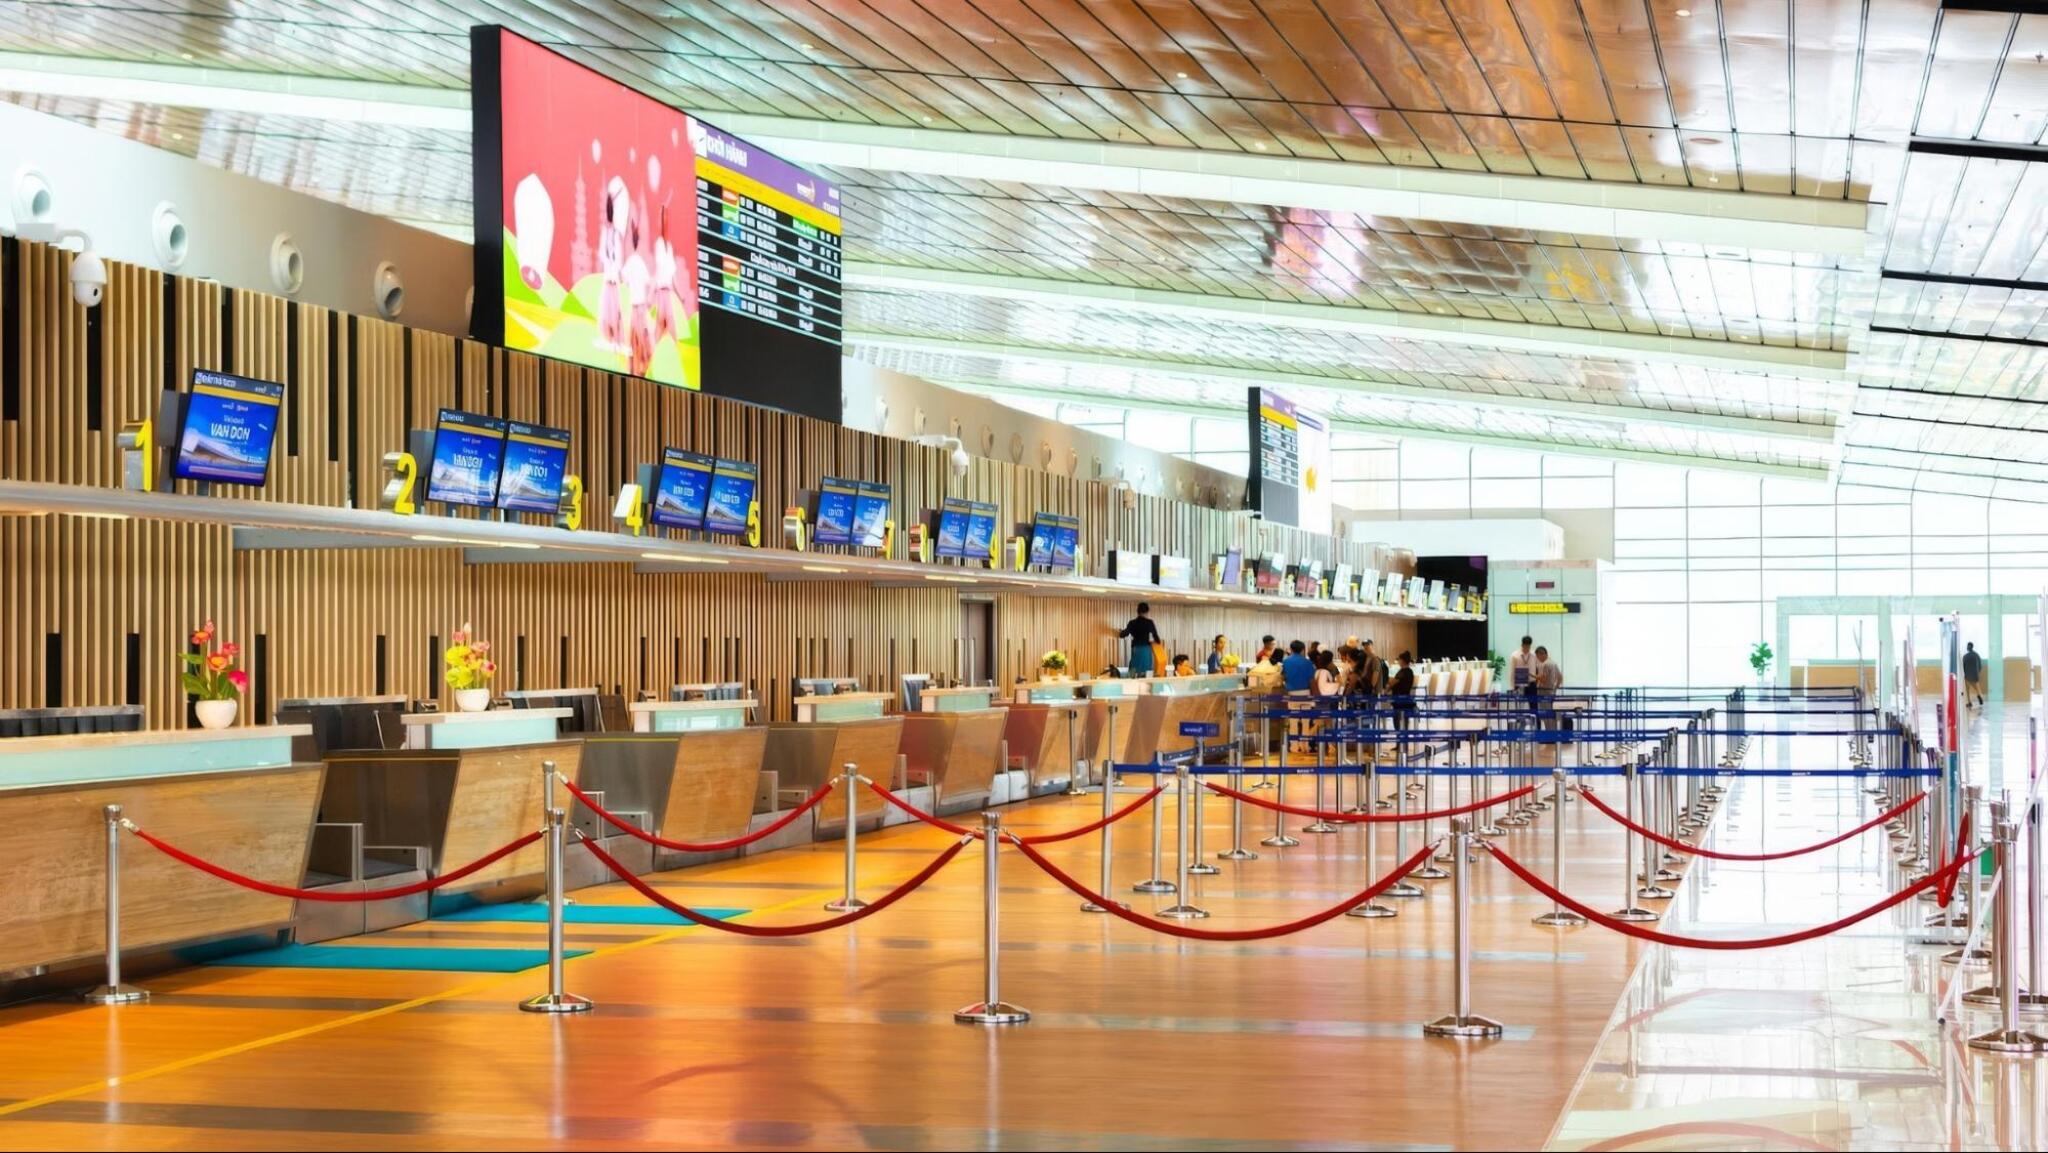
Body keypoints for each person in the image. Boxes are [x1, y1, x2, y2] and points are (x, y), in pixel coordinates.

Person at [1118, 602, 1161, 677]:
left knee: (1133, 668)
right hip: (1146, 649)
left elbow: (1123, 634)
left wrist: (1121, 632)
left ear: (1137, 611)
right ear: (1147, 611)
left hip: (1136, 649)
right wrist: (1157, 643)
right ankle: (1147, 685)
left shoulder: (1132, 623)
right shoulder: (1149, 622)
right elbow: (1156, 637)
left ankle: (1130, 683)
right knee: (1147, 670)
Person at [1963, 642, 1985, 708]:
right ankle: (1979, 695)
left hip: (1967, 675)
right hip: (1975, 675)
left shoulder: (1965, 656)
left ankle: (1969, 702)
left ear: (1968, 647)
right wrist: (1978, 672)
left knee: (1967, 689)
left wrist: (1965, 674)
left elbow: (1963, 667)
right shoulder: (1976, 655)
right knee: (1977, 687)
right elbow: (1980, 665)